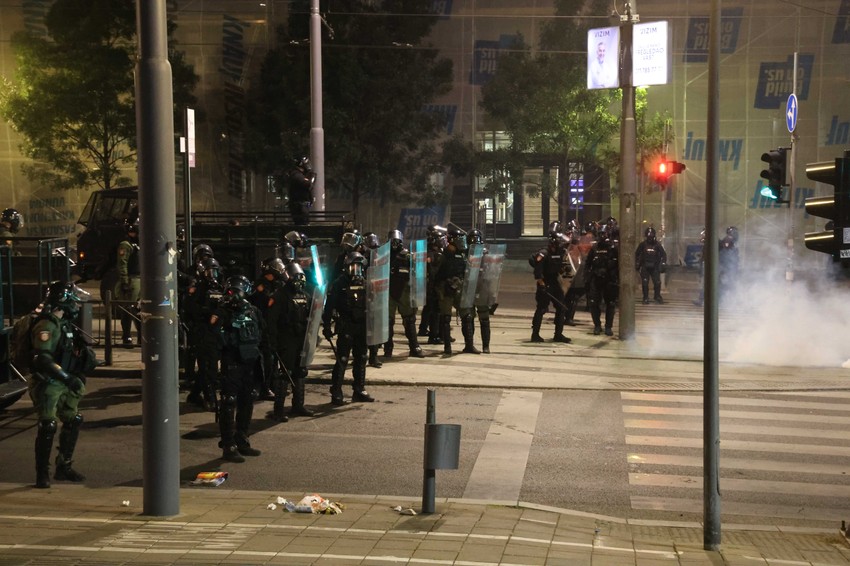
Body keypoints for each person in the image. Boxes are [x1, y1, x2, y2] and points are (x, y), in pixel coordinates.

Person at [29, 281, 97, 489]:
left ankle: (64, 466)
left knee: (73, 419)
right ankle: (42, 474)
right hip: (49, 382)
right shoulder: (47, 325)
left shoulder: (64, 324)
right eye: (73, 301)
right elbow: (42, 358)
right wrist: (67, 378)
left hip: (65, 380)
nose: (76, 305)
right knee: (47, 425)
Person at [209, 275, 263, 463]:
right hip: (232, 361)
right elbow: (214, 336)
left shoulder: (253, 311)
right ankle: (228, 445)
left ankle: (242, 439)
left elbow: (261, 333)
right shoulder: (222, 312)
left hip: (250, 360)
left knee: (247, 400)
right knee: (229, 401)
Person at [322, 252, 376, 406]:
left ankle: (359, 389)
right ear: (346, 267)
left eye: (359, 267)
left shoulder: (365, 283)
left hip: (361, 325)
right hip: (346, 325)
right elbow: (329, 305)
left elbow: (372, 303)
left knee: (362, 357)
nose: (356, 270)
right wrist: (327, 325)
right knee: (343, 359)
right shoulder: (339, 283)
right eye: (353, 266)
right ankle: (336, 391)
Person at [267, 262, 315, 420]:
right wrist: (273, 341)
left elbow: (312, 315)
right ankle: (278, 410)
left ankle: (298, 405)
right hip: (286, 339)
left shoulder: (305, 295)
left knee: (300, 371)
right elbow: (271, 320)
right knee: (285, 373)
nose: (299, 280)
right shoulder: (279, 295)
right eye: (296, 277)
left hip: (301, 338)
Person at [184, 256, 224, 411]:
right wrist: (206, 313)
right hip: (202, 332)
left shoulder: (219, 287)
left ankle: (194, 394)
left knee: (207, 367)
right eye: (209, 272)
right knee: (209, 367)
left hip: (216, 332)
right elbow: (190, 309)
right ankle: (210, 398)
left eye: (215, 272)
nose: (212, 275)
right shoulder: (198, 289)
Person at [433, 226, 479, 356]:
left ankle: (469, 345)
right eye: (459, 239)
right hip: (446, 289)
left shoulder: (462, 254)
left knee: (467, 315)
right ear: (452, 240)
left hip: (459, 288)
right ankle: (447, 346)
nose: (461, 241)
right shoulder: (443, 255)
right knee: (446, 318)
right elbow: (436, 274)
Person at [249, 257, 287, 401]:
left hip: (275, 326)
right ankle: (263, 387)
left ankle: (273, 385)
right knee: (266, 359)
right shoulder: (259, 285)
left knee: (274, 358)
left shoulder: (277, 284)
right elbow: (267, 303)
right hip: (263, 327)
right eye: (276, 266)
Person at [385, 229, 425, 359]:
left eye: (397, 241)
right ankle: (388, 347)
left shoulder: (407, 255)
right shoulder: (383, 255)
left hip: (404, 290)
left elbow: (417, 272)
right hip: (388, 290)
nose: (395, 244)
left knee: (409, 319)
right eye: (392, 241)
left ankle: (414, 346)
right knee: (388, 321)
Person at [530, 231, 573, 344]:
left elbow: (560, 267)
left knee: (561, 307)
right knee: (542, 308)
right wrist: (542, 284)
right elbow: (538, 272)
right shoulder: (544, 253)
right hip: (545, 282)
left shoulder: (560, 252)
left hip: (554, 281)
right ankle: (535, 334)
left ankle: (558, 334)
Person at [585, 227, 619, 336]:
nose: (602, 236)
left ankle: (608, 326)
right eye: (600, 234)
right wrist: (587, 278)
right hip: (596, 279)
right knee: (593, 303)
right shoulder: (594, 248)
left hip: (609, 279)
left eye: (604, 234)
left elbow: (618, 265)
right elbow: (588, 264)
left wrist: (617, 278)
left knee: (611, 304)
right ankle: (597, 325)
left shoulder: (613, 249)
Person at [113, 218, 141, 347]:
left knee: (140, 310)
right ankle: (127, 336)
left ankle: (141, 336)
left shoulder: (139, 244)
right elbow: (122, 264)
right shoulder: (126, 245)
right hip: (132, 279)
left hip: (141, 279)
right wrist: (125, 281)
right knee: (129, 309)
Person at [635, 226, 667, 304]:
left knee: (657, 282)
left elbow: (663, 255)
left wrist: (663, 263)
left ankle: (657, 296)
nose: (650, 238)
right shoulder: (643, 244)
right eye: (649, 236)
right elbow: (637, 254)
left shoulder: (657, 245)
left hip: (655, 267)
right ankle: (645, 297)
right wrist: (637, 263)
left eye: (651, 236)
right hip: (645, 266)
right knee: (645, 282)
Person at [286, 157, 316, 226]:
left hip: (302, 204)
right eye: (306, 164)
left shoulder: (300, 175)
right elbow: (307, 184)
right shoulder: (296, 175)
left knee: (304, 224)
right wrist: (310, 179)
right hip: (299, 205)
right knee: (302, 225)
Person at [719, 226, 740, 304]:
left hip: (727, 265)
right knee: (728, 282)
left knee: (726, 282)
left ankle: (725, 299)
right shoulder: (733, 241)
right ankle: (727, 299)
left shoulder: (730, 239)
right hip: (729, 265)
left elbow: (725, 248)